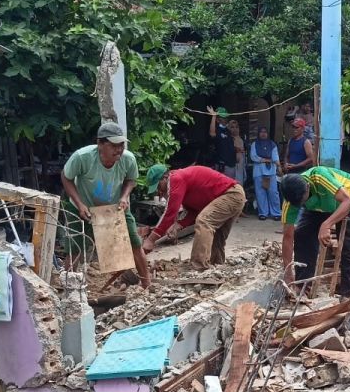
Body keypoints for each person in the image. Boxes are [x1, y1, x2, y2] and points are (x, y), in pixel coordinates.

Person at [60, 122, 150, 289]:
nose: (119, 149)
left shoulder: (128, 159)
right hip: (82, 207)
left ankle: (147, 285)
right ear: (100, 143)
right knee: (75, 248)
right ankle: (69, 289)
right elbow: (66, 177)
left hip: (115, 207)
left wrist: (124, 196)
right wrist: (80, 204)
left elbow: (131, 179)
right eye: (114, 145)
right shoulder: (82, 157)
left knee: (134, 242)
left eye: (121, 145)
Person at [142, 163, 246, 270]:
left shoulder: (175, 179)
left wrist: (151, 239)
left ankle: (199, 266)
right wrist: (178, 225)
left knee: (204, 221)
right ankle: (217, 267)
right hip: (233, 196)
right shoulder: (183, 183)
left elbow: (170, 211)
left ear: (164, 178)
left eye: (159, 186)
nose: (160, 192)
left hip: (231, 195)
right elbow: (193, 211)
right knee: (217, 235)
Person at [279, 167, 350, 297]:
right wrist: (288, 273)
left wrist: (326, 224)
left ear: (307, 187)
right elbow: (288, 237)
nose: (302, 204)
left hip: (348, 199)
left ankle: (345, 294)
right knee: (302, 235)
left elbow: (348, 202)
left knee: (348, 248)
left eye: (303, 200)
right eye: (300, 204)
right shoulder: (291, 200)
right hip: (318, 207)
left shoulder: (319, 176)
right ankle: (303, 287)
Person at [249, 127, 281, 220]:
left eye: (265, 132)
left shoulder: (272, 144)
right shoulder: (255, 144)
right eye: (261, 132)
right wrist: (265, 159)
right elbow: (253, 157)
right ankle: (263, 213)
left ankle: (276, 213)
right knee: (260, 193)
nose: (263, 134)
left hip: (271, 171)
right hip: (259, 171)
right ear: (258, 134)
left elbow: (275, 158)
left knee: (273, 192)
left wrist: (279, 167)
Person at [207, 105, 237, 177]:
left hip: (231, 164)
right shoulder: (217, 129)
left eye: (226, 117)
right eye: (223, 117)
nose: (226, 119)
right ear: (218, 119)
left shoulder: (227, 130)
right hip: (222, 165)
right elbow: (212, 133)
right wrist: (214, 116)